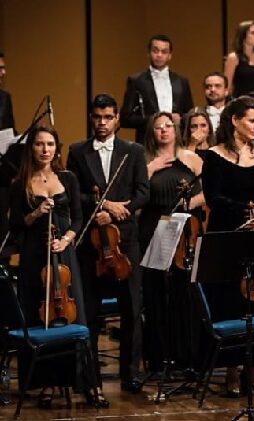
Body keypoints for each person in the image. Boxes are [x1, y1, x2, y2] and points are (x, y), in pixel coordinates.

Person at [67, 93, 149, 393]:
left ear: (116, 119)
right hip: (92, 245)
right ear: (92, 118)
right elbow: (74, 193)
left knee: (132, 311)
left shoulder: (134, 150)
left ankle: (131, 375)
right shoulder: (77, 151)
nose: (102, 123)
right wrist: (102, 208)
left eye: (108, 117)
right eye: (97, 117)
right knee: (90, 311)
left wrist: (118, 210)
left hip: (125, 243)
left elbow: (143, 192)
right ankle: (90, 379)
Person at [9, 126, 95, 408]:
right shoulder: (19, 183)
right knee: (39, 315)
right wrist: (36, 213)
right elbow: (15, 225)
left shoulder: (68, 178)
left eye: (50, 144)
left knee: (70, 314)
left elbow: (79, 219)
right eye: (39, 144)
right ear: (30, 148)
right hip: (35, 257)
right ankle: (45, 382)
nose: (45, 150)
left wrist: (67, 240)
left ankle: (80, 382)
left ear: (57, 148)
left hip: (64, 256)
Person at [200, 95, 254, 397]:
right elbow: (214, 198)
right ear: (234, 120)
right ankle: (231, 371)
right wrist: (246, 211)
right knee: (230, 302)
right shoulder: (215, 156)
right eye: (252, 121)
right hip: (227, 237)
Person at [138, 112, 205, 373]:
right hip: (154, 227)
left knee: (184, 292)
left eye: (168, 126)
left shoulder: (191, 159)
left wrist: (187, 203)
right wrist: (150, 170)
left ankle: (186, 357)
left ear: (177, 130)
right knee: (154, 293)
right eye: (158, 127)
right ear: (151, 132)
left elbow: (207, 192)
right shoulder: (143, 160)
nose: (164, 131)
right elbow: (135, 194)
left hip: (184, 227)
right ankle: (157, 358)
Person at [120, 35, 194, 143]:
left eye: (164, 52)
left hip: (177, 142)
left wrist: (181, 119)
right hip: (147, 142)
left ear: (170, 56)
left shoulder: (182, 81)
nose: (159, 55)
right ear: (149, 53)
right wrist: (154, 120)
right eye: (155, 51)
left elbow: (190, 115)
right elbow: (125, 119)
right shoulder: (136, 81)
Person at [0, 51, 17, 253]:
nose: (3, 72)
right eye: (0, 68)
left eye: (4, 68)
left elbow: (9, 129)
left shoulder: (5, 98)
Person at [224, 20, 254, 100]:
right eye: (253, 33)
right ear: (243, 36)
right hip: (240, 103)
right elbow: (227, 87)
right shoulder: (233, 58)